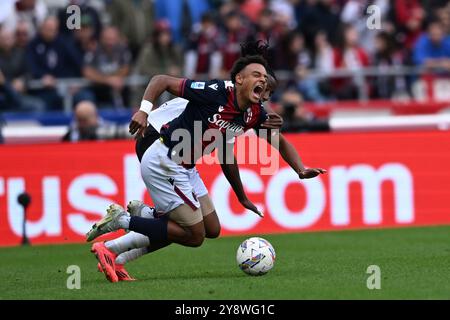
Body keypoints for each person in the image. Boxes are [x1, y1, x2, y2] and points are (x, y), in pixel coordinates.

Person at [86, 42, 326, 282]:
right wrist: (143, 111)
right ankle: (130, 222)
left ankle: (123, 249)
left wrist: (297, 170)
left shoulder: (252, 113)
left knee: (210, 229)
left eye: (269, 92)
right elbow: (161, 80)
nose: (265, 95)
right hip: (157, 142)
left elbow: (244, 150)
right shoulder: (217, 92)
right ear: (241, 80)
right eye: (262, 85)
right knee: (192, 232)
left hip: (183, 162)